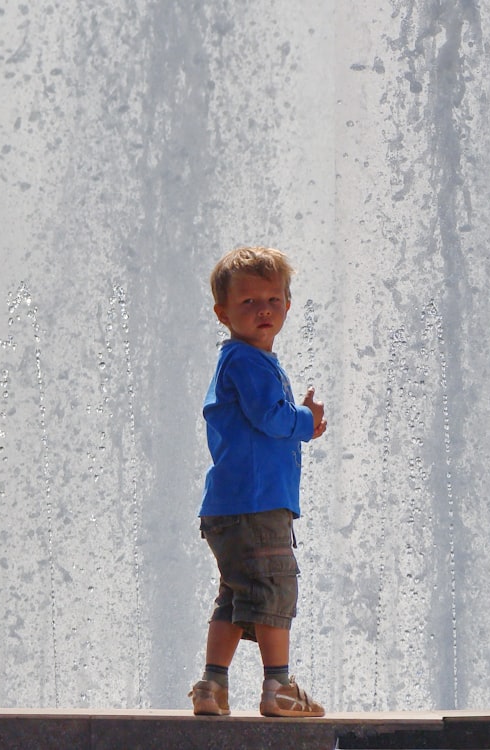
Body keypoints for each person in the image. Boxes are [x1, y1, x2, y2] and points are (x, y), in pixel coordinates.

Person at [188, 246, 326, 718]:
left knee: (234, 597)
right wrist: (306, 421)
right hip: (255, 504)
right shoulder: (246, 361)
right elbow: (269, 418)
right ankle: (278, 686)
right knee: (273, 591)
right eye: (248, 302)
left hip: (231, 506)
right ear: (222, 313)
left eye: (273, 299)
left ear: (288, 305)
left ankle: (212, 685)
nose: (263, 309)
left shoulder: (247, 361)